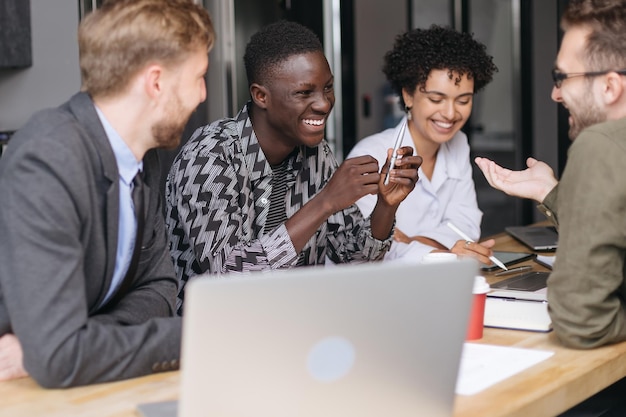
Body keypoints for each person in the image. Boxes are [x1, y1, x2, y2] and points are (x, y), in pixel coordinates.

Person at [0, 0, 215, 388]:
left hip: (71, 380)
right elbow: (60, 359)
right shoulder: (48, 158)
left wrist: (81, 338)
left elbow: (160, 290)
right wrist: (196, 337)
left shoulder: (142, 156)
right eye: (199, 76)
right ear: (156, 82)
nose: (202, 94)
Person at [165, 20, 422, 312]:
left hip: (296, 326)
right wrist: (325, 202)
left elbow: (355, 258)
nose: (324, 104)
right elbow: (230, 276)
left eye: (327, 88)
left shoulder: (316, 154)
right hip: (214, 338)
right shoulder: (209, 156)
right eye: (304, 93)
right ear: (261, 96)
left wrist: (385, 206)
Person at [475, 0, 626, 349]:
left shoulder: (599, 144)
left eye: (562, 77)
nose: (554, 94)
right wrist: (552, 192)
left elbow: (581, 319)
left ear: (610, 86)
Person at [347, 25, 498, 264]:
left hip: (438, 278)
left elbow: (466, 224)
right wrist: (446, 251)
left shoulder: (458, 142)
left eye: (463, 100)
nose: (450, 113)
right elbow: (368, 249)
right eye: (436, 99)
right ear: (408, 95)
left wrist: (411, 243)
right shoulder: (370, 155)